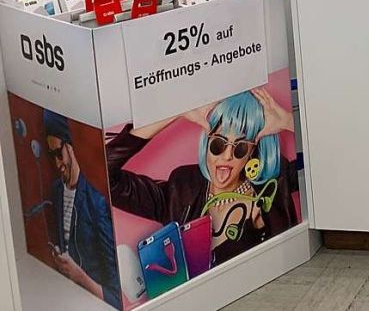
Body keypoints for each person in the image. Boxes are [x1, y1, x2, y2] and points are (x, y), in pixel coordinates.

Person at [106, 88, 301, 268]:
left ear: (251, 152)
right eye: (218, 144)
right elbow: (104, 175)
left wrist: (288, 121)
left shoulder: (273, 186)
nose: (227, 156)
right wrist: (174, 113)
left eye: (240, 147)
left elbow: (321, 161)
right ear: (207, 141)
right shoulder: (179, 191)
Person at [43, 111, 121, 309]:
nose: (57, 163)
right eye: (51, 155)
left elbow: (116, 298)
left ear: (70, 146)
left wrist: (79, 277)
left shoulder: (96, 202)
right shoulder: (56, 191)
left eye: (58, 153)